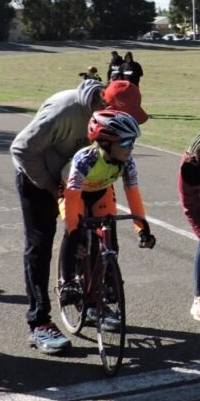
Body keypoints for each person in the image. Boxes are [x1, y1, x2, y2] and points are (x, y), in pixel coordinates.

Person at [11, 78, 146, 354]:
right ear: (106, 106)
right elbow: (22, 149)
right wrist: (52, 188)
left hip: (84, 177)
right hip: (37, 176)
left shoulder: (112, 135)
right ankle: (39, 322)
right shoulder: (65, 111)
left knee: (101, 232)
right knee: (40, 244)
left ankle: (94, 302)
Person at [57, 110, 155, 320]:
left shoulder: (127, 162)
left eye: (133, 142)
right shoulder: (85, 160)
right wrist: (75, 231)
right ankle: (68, 282)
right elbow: (72, 198)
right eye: (126, 142)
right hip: (73, 194)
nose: (131, 147)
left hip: (101, 192)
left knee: (110, 239)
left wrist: (142, 229)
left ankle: (107, 283)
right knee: (74, 235)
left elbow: (133, 194)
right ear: (105, 142)